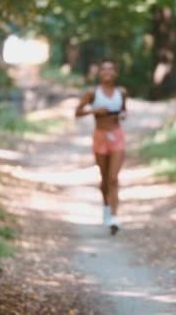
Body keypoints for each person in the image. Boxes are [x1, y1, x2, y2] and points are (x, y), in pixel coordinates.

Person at [75, 58, 128, 235]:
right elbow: (77, 112)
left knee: (114, 178)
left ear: (116, 73)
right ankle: (106, 207)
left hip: (117, 136)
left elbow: (124, 110)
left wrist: (123, 114)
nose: (107, 73)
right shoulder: (92, 93)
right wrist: (94, 111)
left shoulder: (121, 92)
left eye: (111, 69)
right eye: (104, 70)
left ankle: (114, 216)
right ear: (99, 73)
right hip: (100, 137)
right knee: (104, 178)